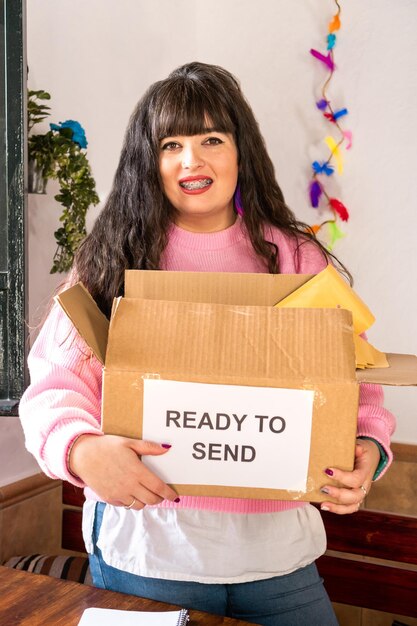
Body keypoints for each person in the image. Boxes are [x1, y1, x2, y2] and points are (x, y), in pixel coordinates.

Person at [19, 62, 395, 626]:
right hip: (146, 551)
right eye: (171, 143)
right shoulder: (110, 259)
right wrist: (79, 449)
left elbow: (356, 380)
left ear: (242, 152)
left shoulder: (295, 258)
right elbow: (54, 384)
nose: (191, 160)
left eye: (211, 139)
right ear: (151, 162)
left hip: (278, 558)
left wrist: (369, 446)